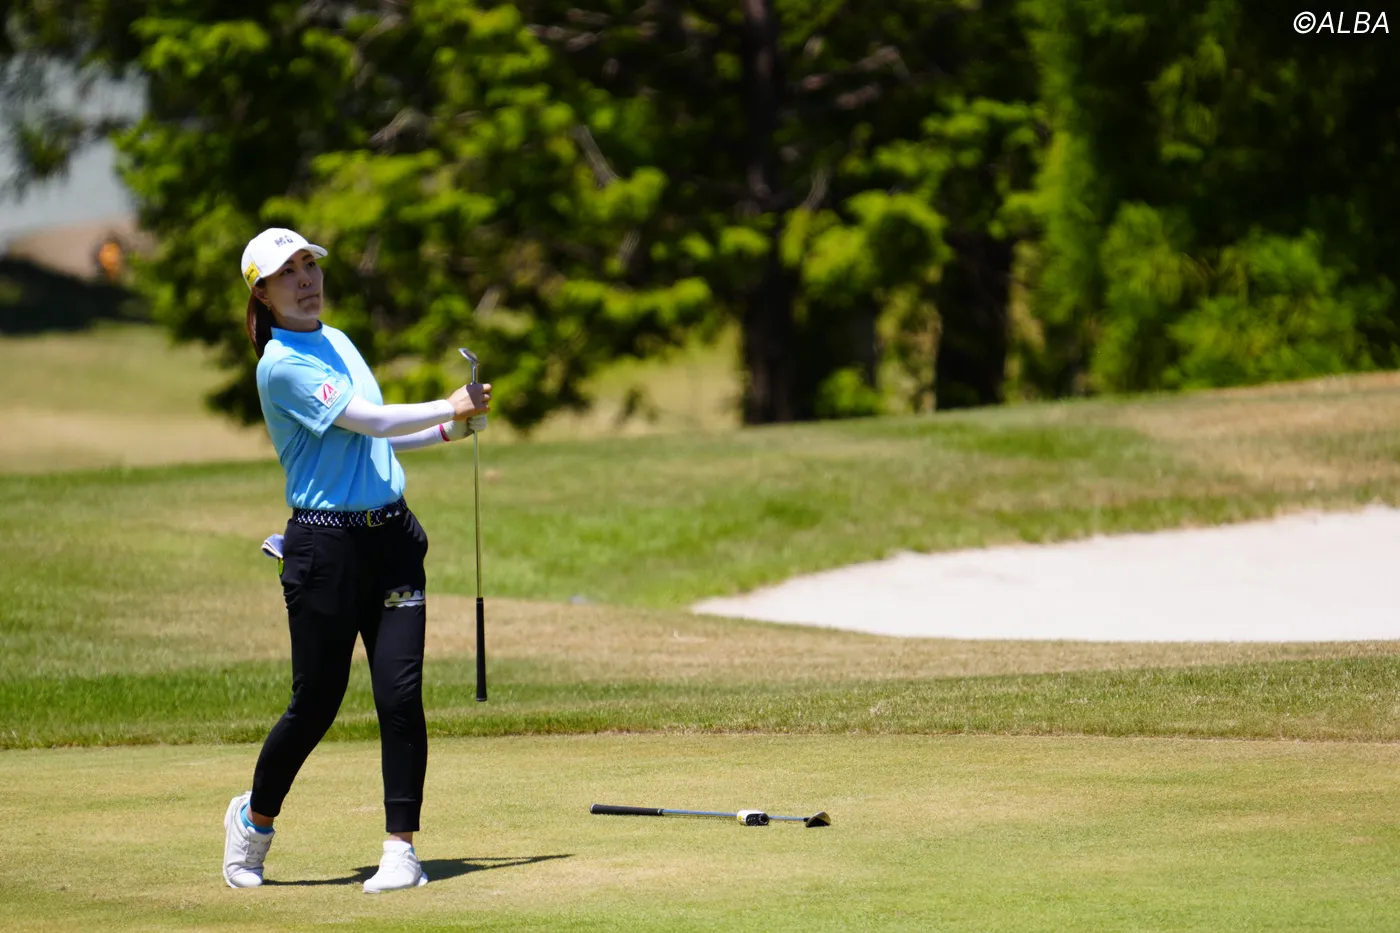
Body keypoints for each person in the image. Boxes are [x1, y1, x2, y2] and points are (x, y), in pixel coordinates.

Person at [221, 227, 491, 893]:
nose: (305, 280)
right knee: (316, 702)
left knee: (400, 695)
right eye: (288, 273)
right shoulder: (280, 364)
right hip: (326, 550)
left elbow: (377, 439)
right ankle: (253, 822)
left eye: (309, 266)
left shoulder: (339, 341)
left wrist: (448, 428)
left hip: (392, 541)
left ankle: (401, 850)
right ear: (263, 293)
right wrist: (447, 403)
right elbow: (370, 420)